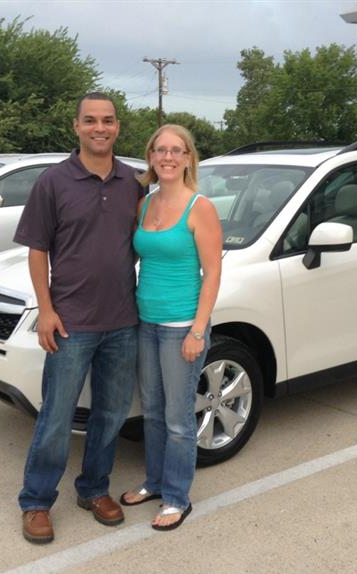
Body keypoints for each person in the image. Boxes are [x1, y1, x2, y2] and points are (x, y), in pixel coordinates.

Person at [13, 92, 145, 543]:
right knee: (56, 416)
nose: (99, 128)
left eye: (107, 120)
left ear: (117, 127)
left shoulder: (133, 184)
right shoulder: (53, 182)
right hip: (70, 323)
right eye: (90, 120)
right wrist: (46, 310)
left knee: (110, 414)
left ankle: (93, 489)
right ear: (76, 127)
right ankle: (36, 501)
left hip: (123, 321)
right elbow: (37, 250)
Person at [120, 124, 222, 530]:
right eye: (160, 149)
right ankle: (154, 482)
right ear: (150, 156)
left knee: (179, 419)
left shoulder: (200, 207)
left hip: (182, 326)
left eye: (176, 150)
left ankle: (177, 498)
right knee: (152, 413)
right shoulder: (145, 204)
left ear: (188, 159)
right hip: (146, 322)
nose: (167, 157)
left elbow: (212, 274)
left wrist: (198, 331)